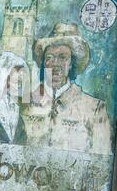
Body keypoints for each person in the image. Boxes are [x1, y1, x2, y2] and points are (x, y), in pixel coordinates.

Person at [20, 23, 112, 155]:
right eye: (49, 58)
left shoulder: (94, 108)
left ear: (71, 64)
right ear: (43, 63)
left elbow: (101, 159)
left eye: (62, 58)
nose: (55, 64)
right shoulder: (25, 102)